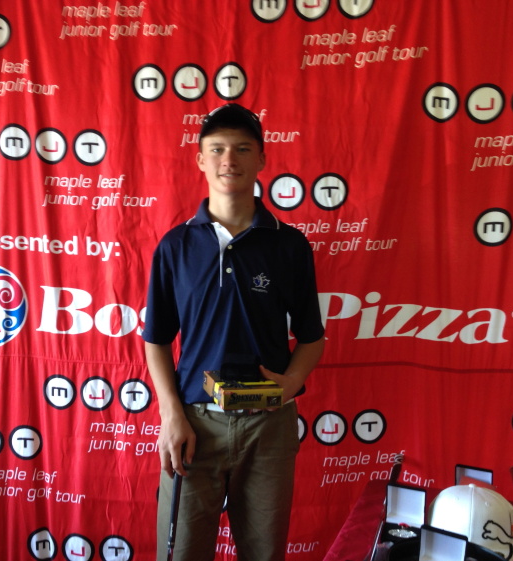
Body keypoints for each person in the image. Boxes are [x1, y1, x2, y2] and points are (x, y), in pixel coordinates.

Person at [142, 103, 325, 561]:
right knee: (181, 553)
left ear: (261, 159)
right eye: (217, 149)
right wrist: (171, 416)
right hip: (194, 424)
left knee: (264, 554)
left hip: (268, 426)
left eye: (242, 149)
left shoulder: (289, 244)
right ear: (200, 160)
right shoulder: (176, 246)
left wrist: (291, 383)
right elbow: (156, 340)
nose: (229, 159)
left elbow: (312, 337)